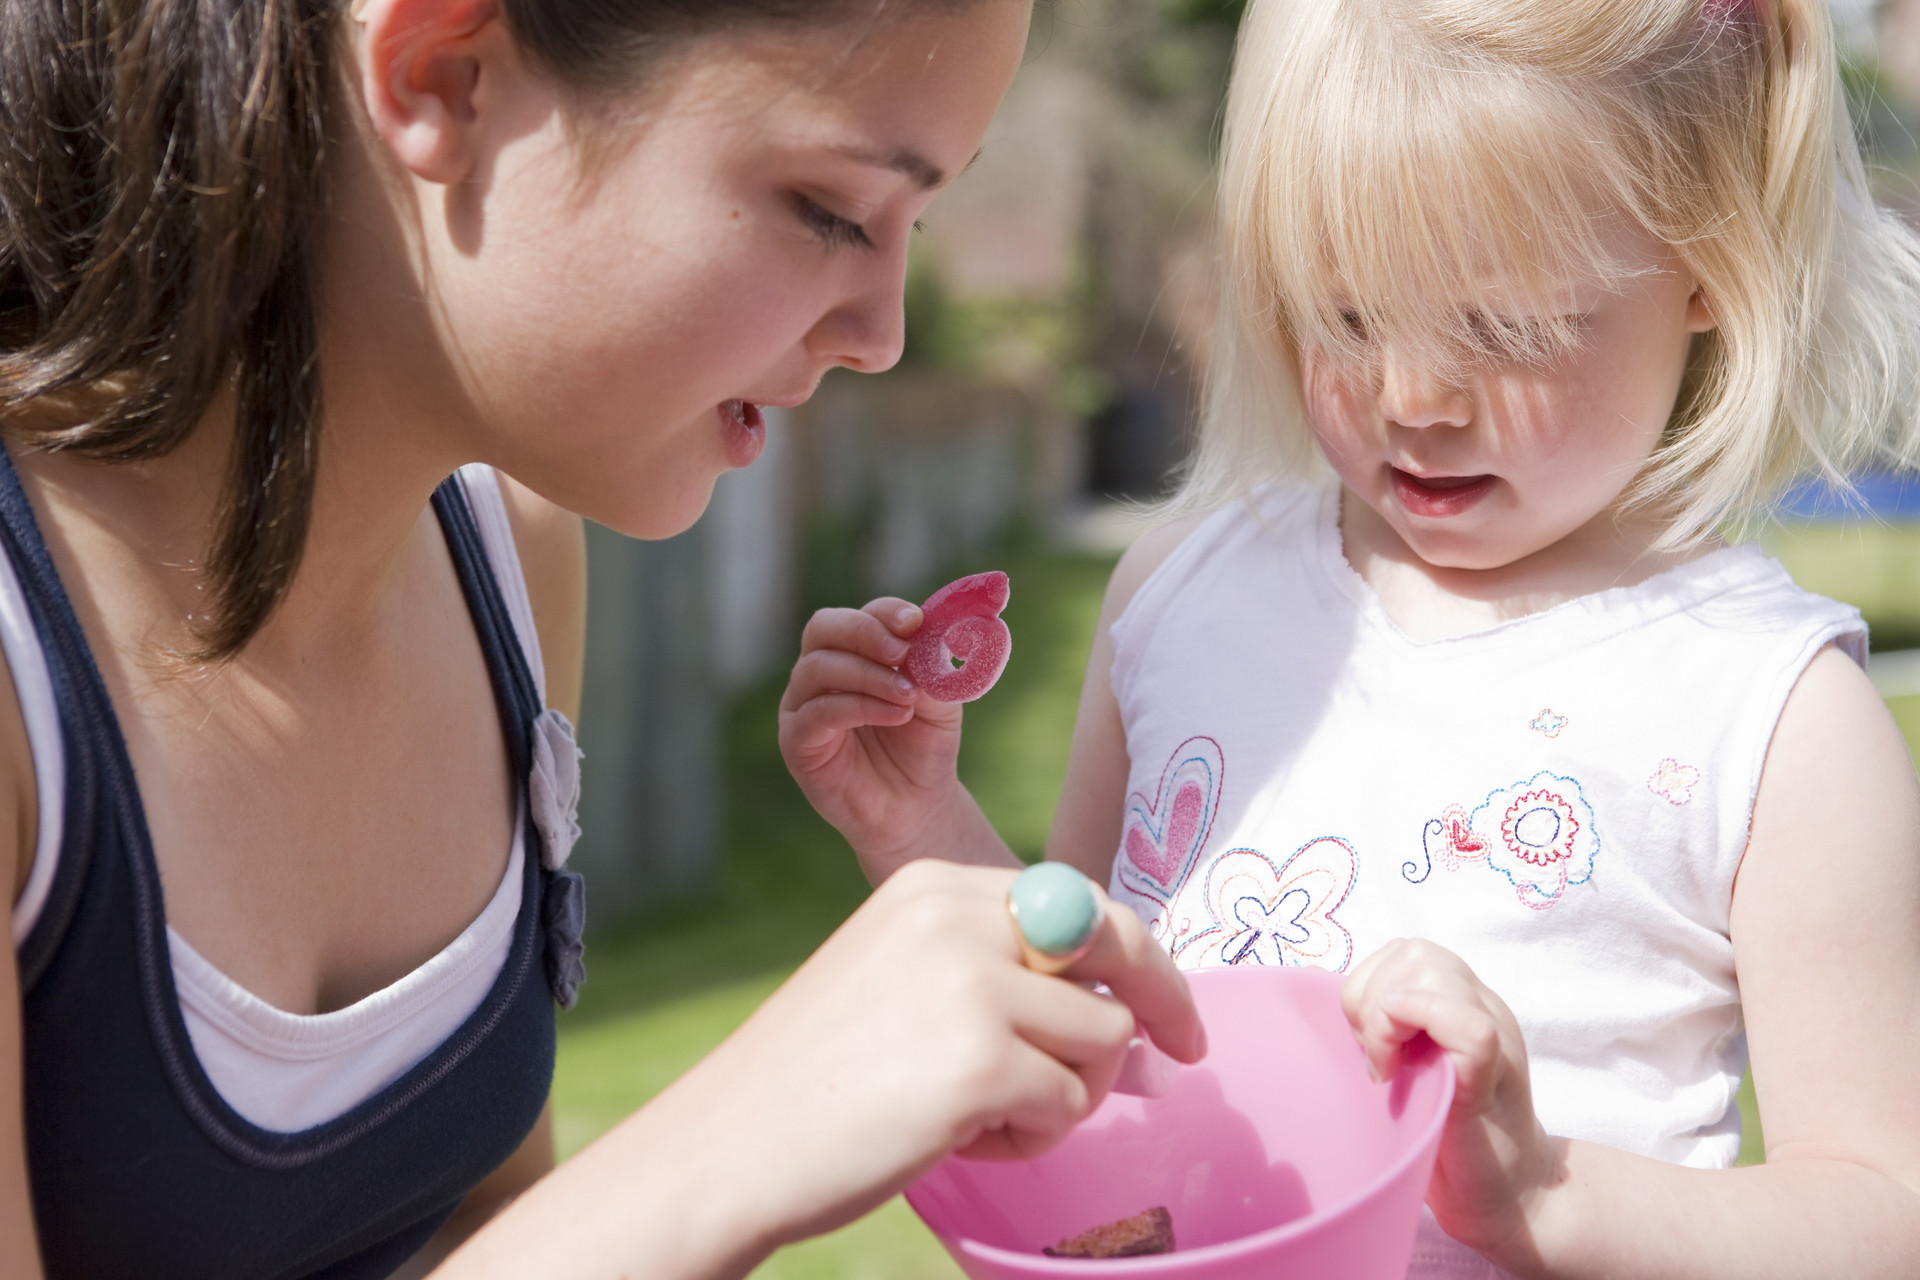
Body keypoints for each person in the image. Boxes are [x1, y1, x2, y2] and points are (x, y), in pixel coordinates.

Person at [0, 1, 1208, 1277]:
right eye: (835, 210)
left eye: (921, 227)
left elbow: (480, 1227)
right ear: (445, 78)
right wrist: (740, 1135)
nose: (883, 334)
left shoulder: (513, 563)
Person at [780, 0, 1920, 1275]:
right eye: (1350, 315)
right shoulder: (1179, 595)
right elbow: (1099, 1018)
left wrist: (1544, 1190)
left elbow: (1884, 1213)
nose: (1414, 400)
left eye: (1504, 328)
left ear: (1710, 264)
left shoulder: (1770, 714)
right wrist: (921, 834)